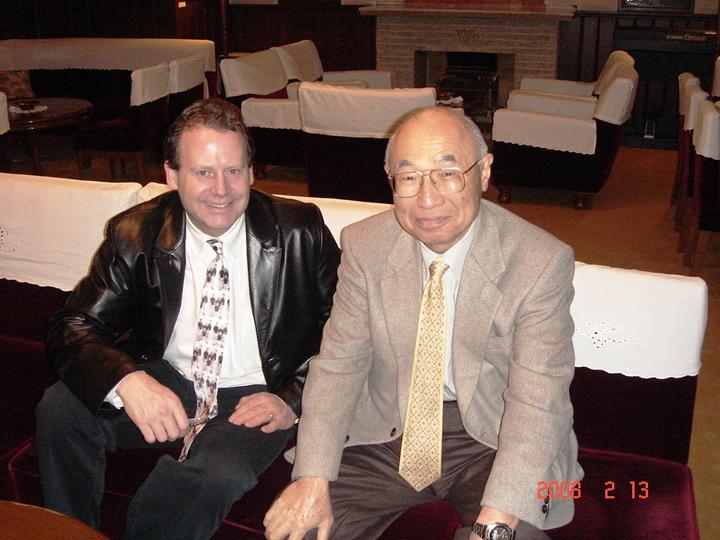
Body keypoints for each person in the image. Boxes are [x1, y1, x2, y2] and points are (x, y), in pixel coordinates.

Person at [264, 107, 583, 540]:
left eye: (448, 174)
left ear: (484, 172)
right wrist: (312, 478)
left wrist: (497, 522)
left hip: (494, 434)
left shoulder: (540, 262)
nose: (427, 199)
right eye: (409, 177)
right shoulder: (365, 245)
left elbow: (537, 402)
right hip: (388, 426)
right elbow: (339, 365)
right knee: (299, 531)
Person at [36, 98, 341, 540]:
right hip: (172, 376)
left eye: (233, 170)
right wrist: (128, 381)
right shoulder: (135, 233)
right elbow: (73, 325)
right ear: (171, 174)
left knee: (216, 474)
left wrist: (292, 399)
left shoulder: (300, 230)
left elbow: (350, 331)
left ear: (251, 172)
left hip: (258, 389)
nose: (221, 189)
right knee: (61, 409)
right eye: (202, 172)